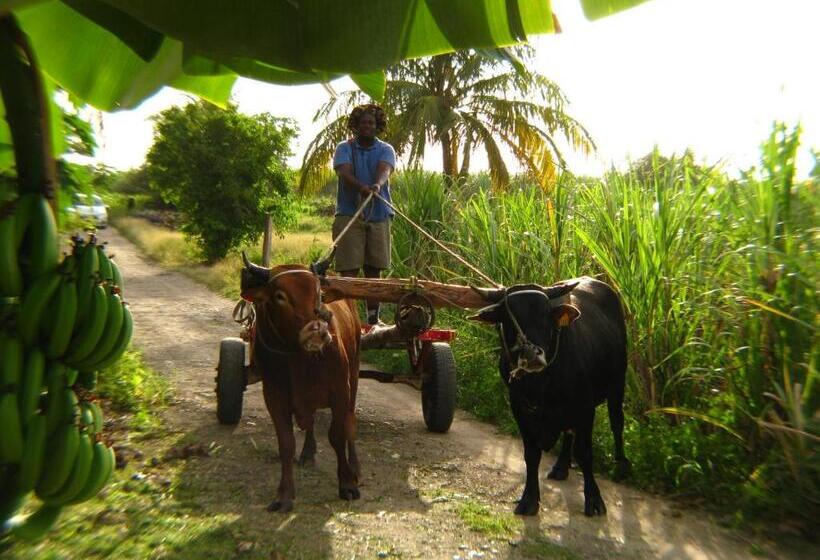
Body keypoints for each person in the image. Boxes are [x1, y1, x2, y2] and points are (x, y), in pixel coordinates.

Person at [332, 104, 396, 325]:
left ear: (377, 126)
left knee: (374, 269)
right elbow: (344, 172)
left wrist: (377, 186)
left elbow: (385, 170)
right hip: (349, 214)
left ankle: (373, 319)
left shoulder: (386, 149)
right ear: (356, 126)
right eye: (363, 123)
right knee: (348, 269)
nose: (367, 126)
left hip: (379, 213)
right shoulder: (344, 147)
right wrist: (362, 187)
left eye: (372, 123)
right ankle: (348, 318)